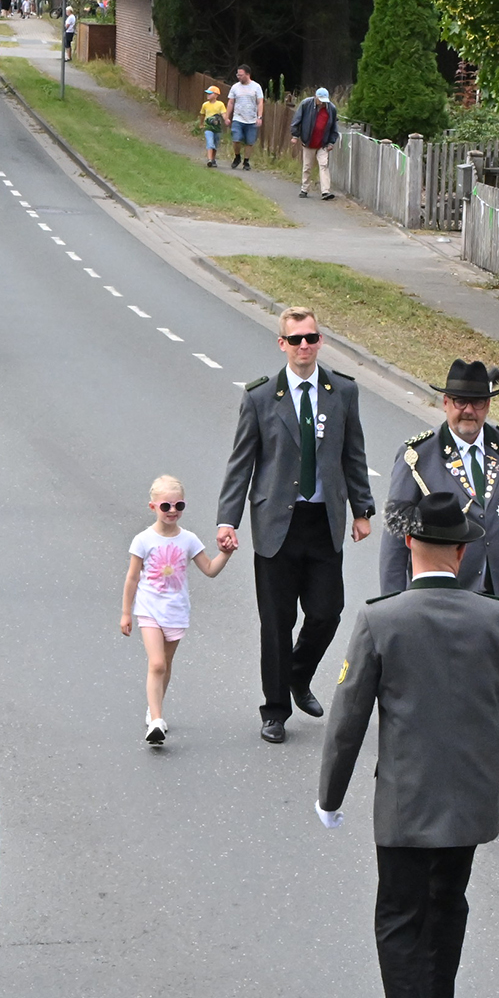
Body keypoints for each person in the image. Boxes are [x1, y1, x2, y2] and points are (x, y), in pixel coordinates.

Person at [317, 491, 499, 998]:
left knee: (400, 919)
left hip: (405, 802)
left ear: (409, 542)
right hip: (470, 800)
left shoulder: (381, 618)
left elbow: (348, 718)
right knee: (447, 910)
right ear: (463, 553)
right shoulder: (496, 617)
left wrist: (331, 796)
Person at [378, 358, 499, 831]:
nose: (467, 410)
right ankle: (443, 785)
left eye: (476, 402)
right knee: (448, 698)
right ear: (445, 403)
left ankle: (489, 788)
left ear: (488, 405)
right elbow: (395, 537)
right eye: (459, 401)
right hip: (443, 597)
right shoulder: (418, 457)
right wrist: (393, 605)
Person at [216, 306, 375, 743]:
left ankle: (298, 674)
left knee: (327, 611)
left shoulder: (342, 392)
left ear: (320, 341)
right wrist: (228, 519)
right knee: (276, 621)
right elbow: (241, 463)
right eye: (296, 339)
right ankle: (274, 710)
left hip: (323, 520)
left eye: (311, 337)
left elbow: (353, 455)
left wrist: (362, 510)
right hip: (276, 523)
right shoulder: (261, 397)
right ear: (282, 344)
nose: (304, 346)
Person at [119, 475, 233, 745]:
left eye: (178, 505)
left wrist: (226, 554)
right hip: (149, 609)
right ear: (153, 507)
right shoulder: (143, 540)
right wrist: (126, 612)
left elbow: (209, 569)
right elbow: (132, 578)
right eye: (165, 506)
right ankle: (156, 721)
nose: (172, 511)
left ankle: (154, 706)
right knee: (157, 663)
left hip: (176, 612)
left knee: (166, 665)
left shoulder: (189, 540)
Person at [291, 87, 340, 199]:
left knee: (324, 165)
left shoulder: (331, 109)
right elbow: (297, 120)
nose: (322, 103)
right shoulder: (306, 104)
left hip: (323, 143)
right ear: (315, 97)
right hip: (309, 142)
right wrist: (295, 135)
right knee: (307, 167)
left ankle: (325, 191)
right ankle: (304, 189)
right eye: (320, 100)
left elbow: (334, 127)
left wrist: (331, 142)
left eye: (324, 101)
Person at [225, 65, 265, 171]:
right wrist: (227, 116)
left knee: (249, 142)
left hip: (251, 119)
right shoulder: (235, 87)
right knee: (236, 139)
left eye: (241, 75)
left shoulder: (256, 87)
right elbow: (231, 102)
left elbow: (260, 102)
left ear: (248, 74)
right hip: (238, 118)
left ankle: (246, 161)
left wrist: (259, 117)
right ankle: (237, 156)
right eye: (238, 75)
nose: (239, 77)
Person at [199, 86, 227, 168]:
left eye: (210, 93)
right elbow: (202, 115)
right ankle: (209, 160)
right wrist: (201, 124)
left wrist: (226, 119)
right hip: (208, 126)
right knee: (210, 142)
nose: (208, 95)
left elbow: (223, 113)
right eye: (207, 93)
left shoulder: (220, 104)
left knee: (215, 143)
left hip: (217, 128)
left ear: (216, 95)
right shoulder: (205, 105)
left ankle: (213, 159)